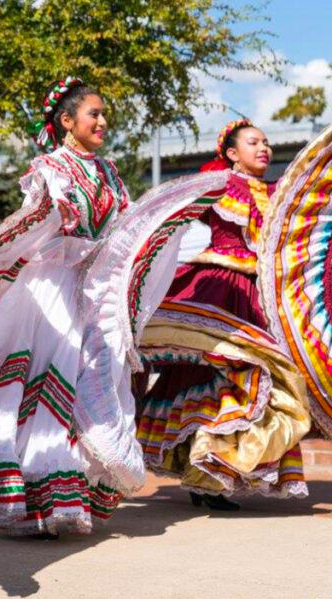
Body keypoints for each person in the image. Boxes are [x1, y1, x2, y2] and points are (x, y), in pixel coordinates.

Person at [0, 77, 229, 536]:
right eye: (93, 114)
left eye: (103, 114)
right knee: (48, 386)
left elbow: (124, 231)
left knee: (93, 384)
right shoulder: (50, 169)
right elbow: (31, 228)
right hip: (50, 291)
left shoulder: (110, 173)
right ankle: (34, 503)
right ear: (66, 121)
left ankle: (66, 501)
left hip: (93, 292)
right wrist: (32, 227)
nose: (102, 121)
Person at [135, 120, 312, 509]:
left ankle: (213, 472)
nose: (263, 148)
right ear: (232, 153)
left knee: (265, 383)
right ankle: (206, 475)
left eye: (266, 143)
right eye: (253, 143)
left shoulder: (278, 193)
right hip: (222, 289)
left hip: (261, 295)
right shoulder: (216, 186)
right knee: (217, 377)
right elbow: (167, 216)